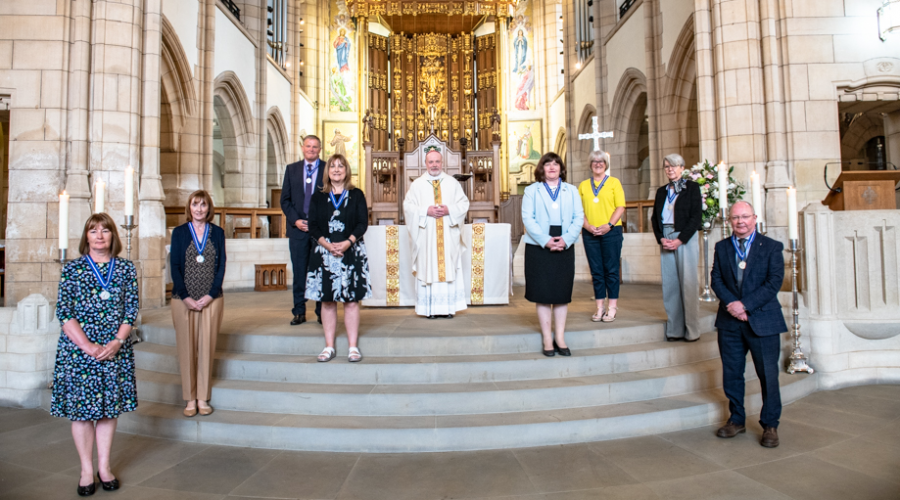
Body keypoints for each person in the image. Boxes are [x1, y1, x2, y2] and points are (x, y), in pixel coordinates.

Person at [51, 213, 139, 496]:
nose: (99, 235)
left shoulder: (125, 268)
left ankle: (104, 466)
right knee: (81, 412)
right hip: (80, 352)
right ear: (86, 236)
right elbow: (64, 312)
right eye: (93, 230)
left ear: (113, 235)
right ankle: (86, 470)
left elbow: (131, 309)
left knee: (107, 410)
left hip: (114, 350)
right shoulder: (73, 269)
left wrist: (117, 342)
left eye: (105, 230)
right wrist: (88, 346)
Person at [710, 201, 787, 448]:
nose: (740, 221)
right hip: (729, 321)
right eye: (735, 217)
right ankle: (737, 419)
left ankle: (770, 425)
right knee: (732, 373)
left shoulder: (772, 247)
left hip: (763, 320)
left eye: (745, 217)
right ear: (729, 220)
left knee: (768, 374)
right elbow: (716, 279)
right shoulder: (722, 247)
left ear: (754, 218)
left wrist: (745, 306)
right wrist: (733, 304)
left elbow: (774, 282)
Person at [306, 154, 372, 362]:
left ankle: (353, 347)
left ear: (346, 170)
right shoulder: (318, 197)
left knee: (351, 301)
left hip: (350, 252)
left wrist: (347, 242)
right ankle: (329, 346)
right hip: (324, 253)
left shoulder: (357, 194)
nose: (336, 169)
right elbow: (313, 225)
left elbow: (362, 223)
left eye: (340, 166)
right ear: (327, 171)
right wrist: (326, 244)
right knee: (327, 301)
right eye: (332, 166)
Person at [169, 190, 226, 417]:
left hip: (211, 301)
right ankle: (190, 399)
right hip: (183, 301)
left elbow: (221, 266)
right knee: (187, 349)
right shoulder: (180, 232)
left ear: (209, 208)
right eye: (195, 204)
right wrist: (185, 297)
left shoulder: (218, 233)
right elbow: (174, 266)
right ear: (189, 207)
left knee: (206, 348)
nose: (199, 209)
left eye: (203, 205)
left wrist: (211, 294)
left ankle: (203, 398)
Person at [521, 152, 584, 356]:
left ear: (561, 168)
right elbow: (528, 219)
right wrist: (546, 240)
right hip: (539, 244)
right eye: (547, 164)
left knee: (560, 294)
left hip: (564, 241)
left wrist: (566, 239)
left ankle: (560, 337)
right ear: (542, 168)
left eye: (556, 164)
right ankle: (547, 338)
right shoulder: (532, 191)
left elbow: (578, 217)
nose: (552, 167)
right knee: (543, 293)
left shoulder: (571, 190)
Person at [403, 148, 470, 318]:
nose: (434, 165)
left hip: (448, 235)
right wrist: (426, 211)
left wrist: (449, 209)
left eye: (437, 161)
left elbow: (463, 204)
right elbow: (408, 207)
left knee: (447, 267)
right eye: (430, 162)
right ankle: (429, 310)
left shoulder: (452, 183)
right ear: (425, 164)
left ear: (442, 163)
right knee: (428, 266)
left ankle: (448, 308)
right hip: (427, 237)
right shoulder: (417, 184)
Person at [651, 153, 703, 341]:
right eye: (666, 166)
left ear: (682, 168)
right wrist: (661, 239)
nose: (670, 169)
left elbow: (696, 217)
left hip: (684, 238)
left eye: (674, 166)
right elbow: (655, 219)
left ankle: (692, 330)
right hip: (666, 236)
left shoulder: (692, 188)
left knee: (688, 283)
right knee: (670, 285)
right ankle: (675, 329)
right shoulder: (661, 191)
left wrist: (680, 239)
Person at [281, 135, 325, 325]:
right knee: (299, 272)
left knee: (321, 272)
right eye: (308, 146)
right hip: (298, 230)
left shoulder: (327, 169)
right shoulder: (292, 170)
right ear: (302, 147)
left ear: (320, 149)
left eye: (315, 146)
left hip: (320, 231)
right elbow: (285, 200)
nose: (311, 149)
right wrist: (295, 220)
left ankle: (321, 311)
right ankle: (299, 310)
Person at [578, 150, 626, 322]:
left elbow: (620, 207)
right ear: (590, 164)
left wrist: (609, 225)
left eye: (601, 161)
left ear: (606, 164)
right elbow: (579, 211)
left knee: (611, 271)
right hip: (590, 233)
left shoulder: (614, 182)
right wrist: (588, 226)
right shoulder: (583, 185)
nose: (598, 164)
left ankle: (612, 307)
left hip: (611, 232)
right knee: (596, 272)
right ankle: (599, 308)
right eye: (594, 161)